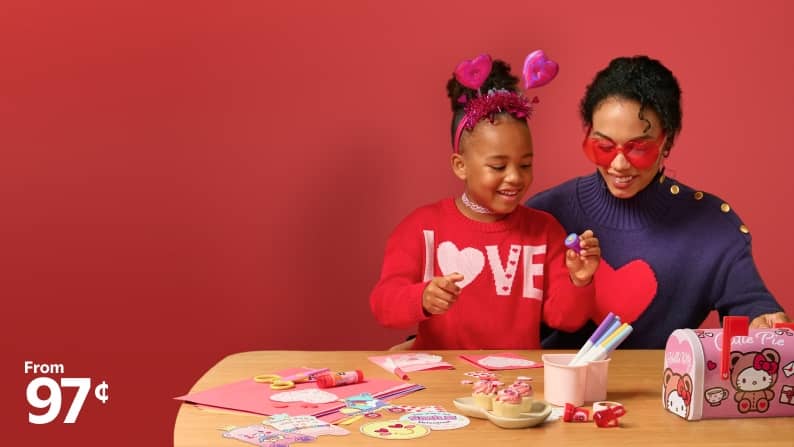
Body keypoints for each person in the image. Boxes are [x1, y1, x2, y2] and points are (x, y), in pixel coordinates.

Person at [526, 55, 790, 349]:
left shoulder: (712, 227)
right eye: (603, 146)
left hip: (663, 391)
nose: (620, 164)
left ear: (668, 140)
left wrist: (764, 322)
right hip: (552, 390)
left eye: (639, 148)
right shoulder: (545, 214)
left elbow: (752, 303)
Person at [369, 53, 601, 350]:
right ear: (460, 165)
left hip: (516, 386)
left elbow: (563, 319)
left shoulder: (544, 231)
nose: (515, 177)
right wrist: (422, 298)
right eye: (499, 166)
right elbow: (383, 305)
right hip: (442, 383)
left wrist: (579, 281)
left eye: (526, 164)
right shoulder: (423, 227)